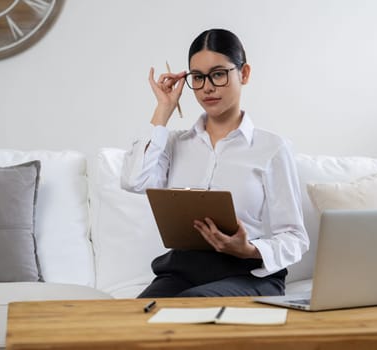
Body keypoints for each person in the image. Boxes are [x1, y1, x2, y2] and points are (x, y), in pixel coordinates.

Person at [121, 28, 309, 298]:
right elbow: (133, 180)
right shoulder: (174, 144)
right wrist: (163, 110)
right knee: (134, 316)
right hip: (184, 270)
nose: (207, 87)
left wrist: (249, 250)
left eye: (218, 74)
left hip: (247, 274)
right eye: (197, 77)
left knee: (190, 306)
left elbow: (295, 237)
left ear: (243, 74)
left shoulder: (273, 148)